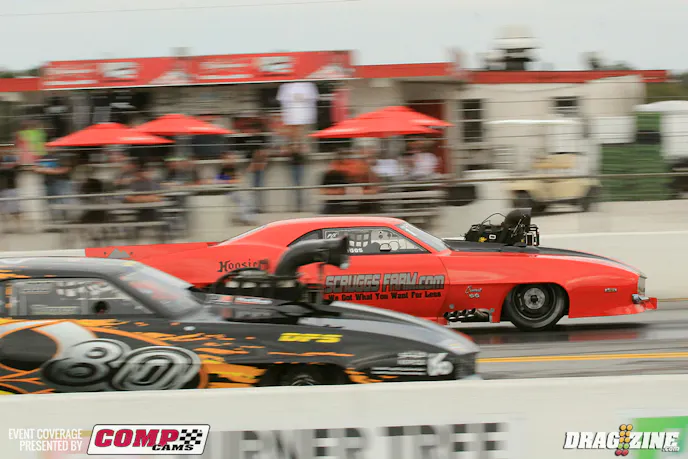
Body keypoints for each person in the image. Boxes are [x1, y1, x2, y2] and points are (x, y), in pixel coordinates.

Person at [33, 148, 74, 226]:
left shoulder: (62, 156)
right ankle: (55, 223)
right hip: (48, 184)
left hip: (61, 183)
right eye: (48, 146)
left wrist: (47, 170)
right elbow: (36, 169)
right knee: (51, 204)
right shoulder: (44, 157)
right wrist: (49, 170)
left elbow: (66, 169)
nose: (50, 148)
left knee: (63, 202)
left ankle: (65, 221)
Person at [216, 150, 256, 225]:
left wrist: (237, 179)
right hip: (228, 192)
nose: (232, 159)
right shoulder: (223, 168)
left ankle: (247, 218)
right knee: (244, 197)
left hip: (234, 190)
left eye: (232, 158)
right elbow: (220, 180)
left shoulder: (233, 168)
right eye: (229, 158)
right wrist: (233, 180)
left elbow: (237, 179)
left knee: (247, 197)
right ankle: (246, 219)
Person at [0, 148, 22, 233]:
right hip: (3, 189)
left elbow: (17, 167)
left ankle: (18, 226)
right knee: (3, 210)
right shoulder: (5, 164)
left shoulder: (12, 165)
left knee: (15, 210)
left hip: (11, 189)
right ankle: (6, 227)